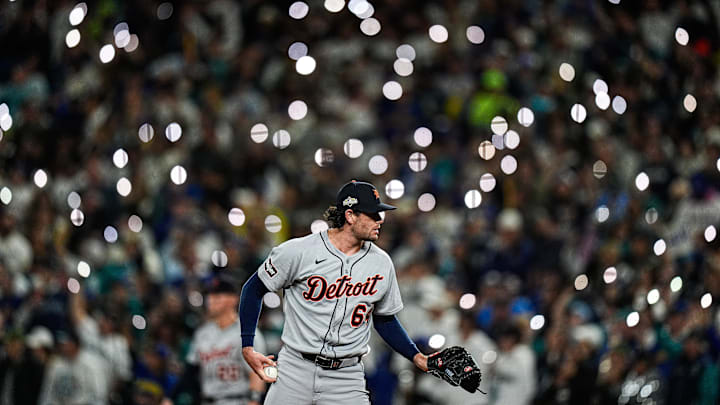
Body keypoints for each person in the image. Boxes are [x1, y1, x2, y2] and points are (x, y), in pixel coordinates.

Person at [239, 180, 429, 404]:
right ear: (350, 216)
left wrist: (416, 356)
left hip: (346, 377)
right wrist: (248, 345)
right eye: (372, 214)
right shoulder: (298, 251)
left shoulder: (381, 263)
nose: (379, 220)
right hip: (295, 370)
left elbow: (385, 319)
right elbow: (253, 289)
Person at [165, 274, 266, 405]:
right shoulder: (202, 334)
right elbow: (190, 372)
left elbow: (258, 372)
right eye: (210, 296)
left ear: (233, 299)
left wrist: (254, 400)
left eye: (217, 296)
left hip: (238, 400)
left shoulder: (248, 333)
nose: (211, 300)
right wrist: (170, 398)